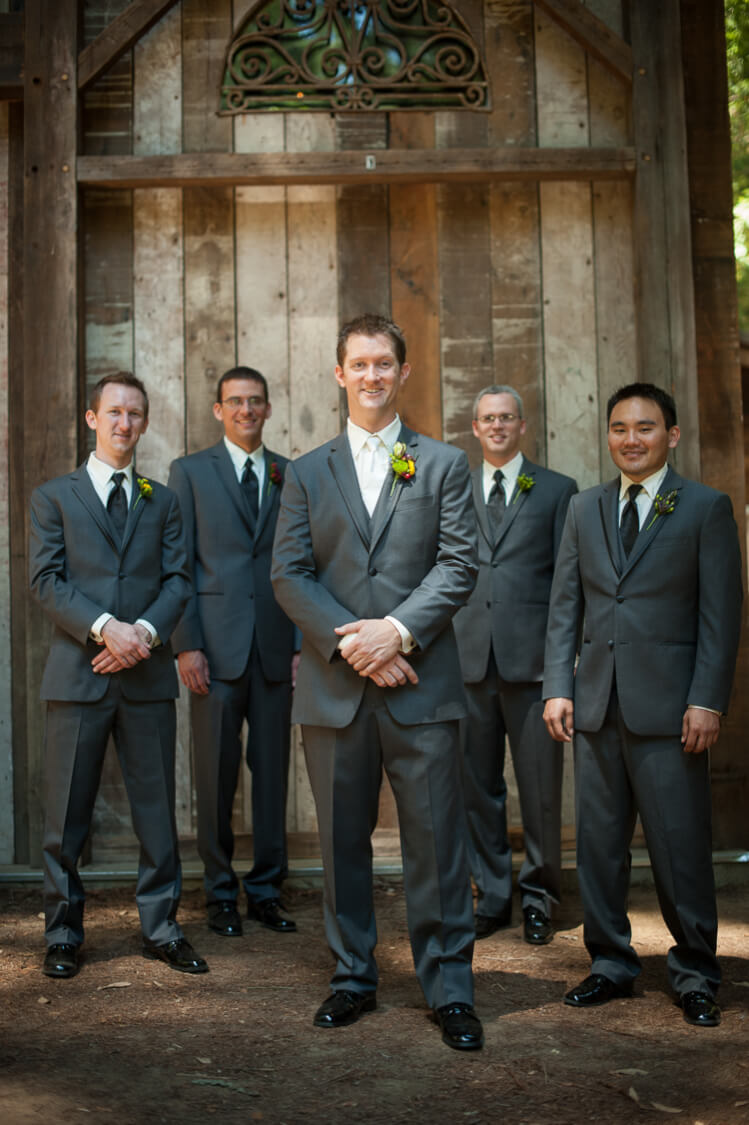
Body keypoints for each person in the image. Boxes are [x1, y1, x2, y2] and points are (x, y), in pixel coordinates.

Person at [271, 314, 483, 1050]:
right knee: (341, 843)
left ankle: (449, 986)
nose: (371, 376)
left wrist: (394, 633)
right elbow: (288, 574)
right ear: (339, 374)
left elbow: (458, 564)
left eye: (383, 364)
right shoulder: (304, 471)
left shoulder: (444, 464)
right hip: (335, 692)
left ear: (403, 372)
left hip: (420, 684)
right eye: (358, 364)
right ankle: (352, 976)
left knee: (435, 843)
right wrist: (354, 645)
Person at [543, 382, 743, 1027]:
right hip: (596, 704)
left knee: (679, 845)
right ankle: (609, 964)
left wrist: (707, 700)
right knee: (599, 845)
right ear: (609, 435)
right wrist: (558, 685)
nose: (631, 439)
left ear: (672, 436)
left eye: (646, 428)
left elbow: (721, 615)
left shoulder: (705, 508)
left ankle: (695, 973)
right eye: (620, 428)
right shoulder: (583, 509)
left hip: (671, 709)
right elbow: (564, 606)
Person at [29, 372, 207, 979]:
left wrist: (146, 637)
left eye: (135, 414)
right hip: (79, 675)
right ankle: (62, 933)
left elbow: (180, 581)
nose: (124, 424)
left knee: (156, 813)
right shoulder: (54, 496)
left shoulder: (165, 499)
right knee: (65, 816)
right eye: (113, 413)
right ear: (91, 418)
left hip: (147, 678)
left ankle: (161, 927)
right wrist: (109, 628)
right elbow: (46, 581)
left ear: (145, 422)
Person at [168, 367, 298, 937]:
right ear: (218, 410)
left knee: (272, 777)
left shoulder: (291, 474)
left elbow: (301, 566)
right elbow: (179, 566)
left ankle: (267, 890)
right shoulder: (189, 473)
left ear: (268, 409)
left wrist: (300, 644)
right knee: (215, 776)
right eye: (235, 402)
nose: (246, 410)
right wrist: (186, 645)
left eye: (255, 401)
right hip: (212, 655)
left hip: (275, 651)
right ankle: (219, 892)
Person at [453, 385, 577, 945]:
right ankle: (493, 894)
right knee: (478, 787)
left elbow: (566, 587)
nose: (498, 426)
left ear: (522, 426)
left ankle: (540, 896)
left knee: (541, 790)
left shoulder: (557, 491)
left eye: (507, 418)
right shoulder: (451, 487)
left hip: (533, 669)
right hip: (467, 662)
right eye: (487, 419)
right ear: (475, 429)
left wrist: (561, 672)